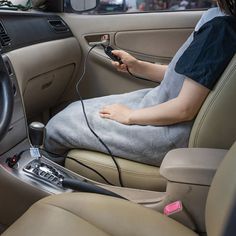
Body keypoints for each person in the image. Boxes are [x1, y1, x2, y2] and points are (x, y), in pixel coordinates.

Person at [45, 3, 236, 167]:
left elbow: (184, 109)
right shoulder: (217, 16)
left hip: (169, 129)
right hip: (161, 106)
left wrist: (129, 116)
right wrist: (138, 66)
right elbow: (190, 75)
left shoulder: (221, 29)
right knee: (71, 109)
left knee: (57, 125)